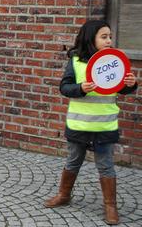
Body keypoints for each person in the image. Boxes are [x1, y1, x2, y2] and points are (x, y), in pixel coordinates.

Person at [44, 20, 138, 225]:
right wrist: (81, 88)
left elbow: (121, 88)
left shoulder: (114, 61)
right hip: (79, 124)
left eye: (110, 36)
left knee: (105, 166)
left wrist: (131, 85)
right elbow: (65, 87)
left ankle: (110, 206)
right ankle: (64, 195)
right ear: (90, 38)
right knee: (73, 161)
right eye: (104, 37)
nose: (109, 40)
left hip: (105, 126)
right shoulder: (76, 61)